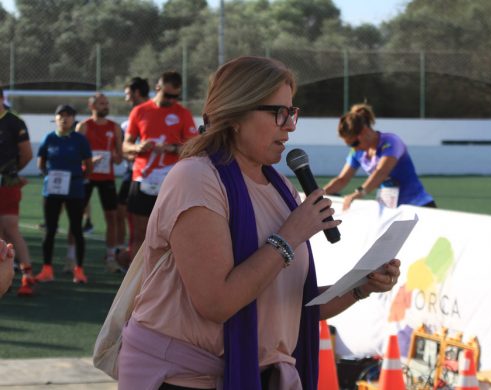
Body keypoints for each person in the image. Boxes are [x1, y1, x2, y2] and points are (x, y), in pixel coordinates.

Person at [117, 56, 401, 390]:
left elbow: (292, 306)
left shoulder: (280, 187)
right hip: (182, 379)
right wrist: (290, 235)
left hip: (253, 375)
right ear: (236, 115)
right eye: (279, 113)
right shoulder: (196, 178)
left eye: (292, 113)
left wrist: (360, 286)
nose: (290, 125)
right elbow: (217, 303)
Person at [122, 70, 197, 262]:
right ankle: (135, 282)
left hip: (170, 180)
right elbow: (125, 146)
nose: (172, 100)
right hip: (143, 177)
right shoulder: (140, 111)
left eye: (175, 96)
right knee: (139, 233)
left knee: (170, 233)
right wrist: (139, 146)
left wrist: (171, 148)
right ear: (157, 88)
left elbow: (194, 147)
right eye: (167, 95)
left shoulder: (183, 114)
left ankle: (163, 277)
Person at [324, 103, 436, 210]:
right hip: (391, 210)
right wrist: (319, 194)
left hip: (418, 206)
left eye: (354, 143)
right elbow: (342, 179)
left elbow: (381, 172)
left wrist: (358, 193)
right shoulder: (357, 152)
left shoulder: (391, 142)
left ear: (364, 131)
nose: (353, 148)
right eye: (349, 145)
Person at [35, 104, 93, 284]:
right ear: (55, 118)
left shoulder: (79, 139)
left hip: (74, 190)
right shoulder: (49, 138)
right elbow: (41, 162)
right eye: (60, 115)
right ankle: (47, 269)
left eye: (68, 115)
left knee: (76, 229)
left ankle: (79, 270)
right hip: (52, 190)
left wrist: (79, 178)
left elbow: (88, 164)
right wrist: (49, 176)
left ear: (73, 119)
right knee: (50, 230)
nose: (64, 119)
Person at [74, 93, 123, 273]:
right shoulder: (84, 126)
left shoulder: (114, 127)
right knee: (76, 216)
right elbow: (75, 153)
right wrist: (88, 161)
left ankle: (111, 258)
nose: (105, 106)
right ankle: (72, 258)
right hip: (87, 176)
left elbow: (119, 157)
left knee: (112, 217)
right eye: (102, 103)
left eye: (106, 103)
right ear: (92, 106)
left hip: (107, 178)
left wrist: (117, 156)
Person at [0, 87, 35, 296]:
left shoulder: (14, 122)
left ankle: (27, 274)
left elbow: (27, 154)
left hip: (8, 183)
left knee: (11, 227)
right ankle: (6, 274)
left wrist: (12, 174)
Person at [115, 77, 150, 269]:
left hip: (148, 178)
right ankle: (130, 259)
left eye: (128, 93)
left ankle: (140, 265)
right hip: (133, 175)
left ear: (136, 93)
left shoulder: (156, 115)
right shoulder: (128, 122)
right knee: (125, 217)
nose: (126, 98)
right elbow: (124, 151)